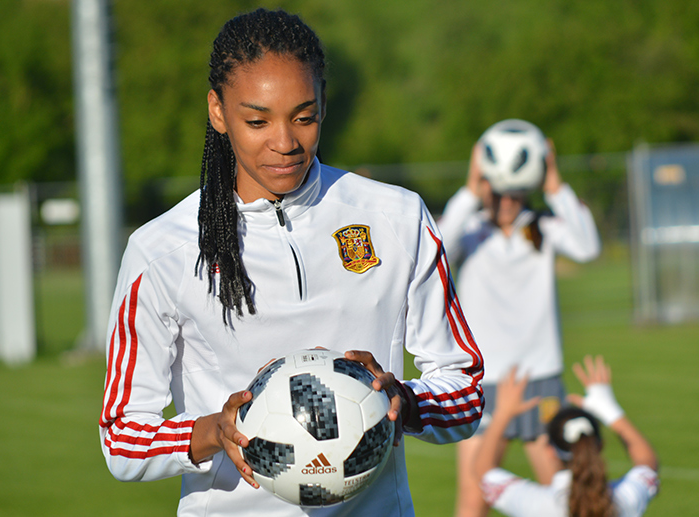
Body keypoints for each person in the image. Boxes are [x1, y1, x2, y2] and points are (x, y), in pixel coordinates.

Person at [97, 8, 483, 516]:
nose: (284, 142)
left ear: (324, 102)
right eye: (257, 120)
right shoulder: (162, 250)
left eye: (304, 116)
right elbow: (122, 435)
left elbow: (467, 390)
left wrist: (403, 402)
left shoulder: (397, 217)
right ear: (217, 111)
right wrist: (215, 430)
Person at [437, 120, 600, 517]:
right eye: (497, 190)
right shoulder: (470, 232)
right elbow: (436, 247)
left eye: (515, 192)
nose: (506, 200)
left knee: (563, 492)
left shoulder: (543, 228)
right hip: (483, 381)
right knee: (473, 497)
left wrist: (554, 184)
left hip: (540, 376)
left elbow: (588, 247)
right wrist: (470, 188)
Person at [474, 356, 660, 517]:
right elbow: (647, 463)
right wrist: (611, 412)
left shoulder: (538, 504)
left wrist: (502, 413)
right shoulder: (623, 500)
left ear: (549, 451)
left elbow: (483, 471)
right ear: (600, 445)